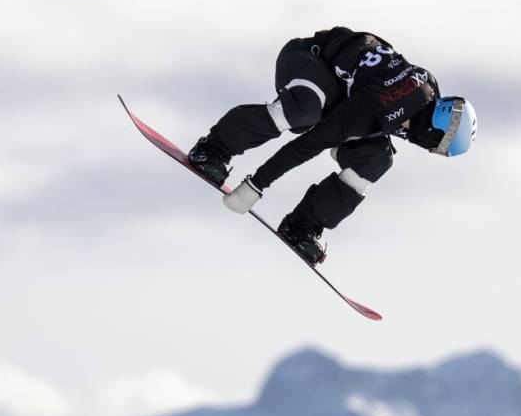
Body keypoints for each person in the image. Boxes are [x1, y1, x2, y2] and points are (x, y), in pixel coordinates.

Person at [187, 26, 477, 265]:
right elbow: (309, 144)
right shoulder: (381, 106)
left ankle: (302, 226)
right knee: (303, 111)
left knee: (376, 159)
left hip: (344, 95)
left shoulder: (424, 95)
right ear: (433, 133)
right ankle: (213, 149)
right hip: (304, 59)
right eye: (440, 147)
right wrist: (256, 185)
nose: (432, 150)